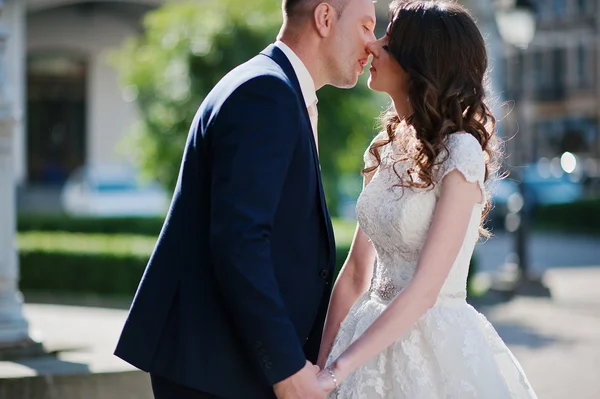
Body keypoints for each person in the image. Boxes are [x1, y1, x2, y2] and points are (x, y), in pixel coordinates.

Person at [114, 1, 376, 398]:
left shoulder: (275, 87)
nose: (372, 44)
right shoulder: (266, 92)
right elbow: (240, 240)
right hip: (216, 368)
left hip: (228, 363)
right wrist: (286, 367)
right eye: (366, 26)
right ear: (325, 19)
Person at [315, 1, 539, 398]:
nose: (374, 46)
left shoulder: (460, 153)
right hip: (363, 335)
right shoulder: (384, 148)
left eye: (389, 40)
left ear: (421, 61)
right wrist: (322, 365)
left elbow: (423, 290)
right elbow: (354, 275)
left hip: (434, 349)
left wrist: (338, 370)